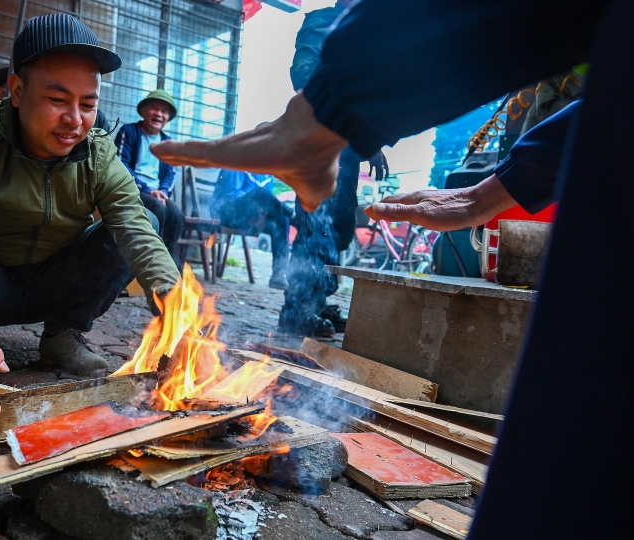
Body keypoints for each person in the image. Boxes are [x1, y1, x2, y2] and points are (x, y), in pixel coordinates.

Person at [151, 1, 630, 537]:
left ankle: (308, 304)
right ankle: (299, 311)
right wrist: (500, 187)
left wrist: (336, 109)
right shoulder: (316, 24)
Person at [0, 14, 180, 433]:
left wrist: (173, 304)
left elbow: (133, 226)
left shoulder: (99, 153)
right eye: (57, 100)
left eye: (88, 104)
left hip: (56, 280)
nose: (75, 120)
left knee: (148, 216)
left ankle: (61, 336)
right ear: (16, 90)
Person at [278, 1, 362, 336]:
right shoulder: (323, 22)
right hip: (319, 141)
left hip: (349, 147)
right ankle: (296, 309)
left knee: (338, 229)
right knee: (315, 229)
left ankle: (317, 300)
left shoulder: (359, 28)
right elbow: (304, 74)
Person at [115, 90, 185, 270]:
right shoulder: (128, 132)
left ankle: (170, 266)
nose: (159, 114)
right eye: (154, 108)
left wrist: (162, 191)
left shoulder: (167, 142)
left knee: (177, 215)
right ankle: (152, 263)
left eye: (164, 111)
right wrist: (147, 190)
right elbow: (121, 166)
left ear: (168, 117)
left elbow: (170, 173)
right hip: (132, 189)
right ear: (144, 111)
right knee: (158, 209)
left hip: (157, 193)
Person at [209, 168, 293, 289]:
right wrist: (254, 210)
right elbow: (230, 197)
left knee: (282, 221)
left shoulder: (267, 174)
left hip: (254, 217)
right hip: (228, 213)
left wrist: (262, 213)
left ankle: (278, 275)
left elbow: (269, 203)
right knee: (260, 193)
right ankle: (294, 216)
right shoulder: (236, 162)